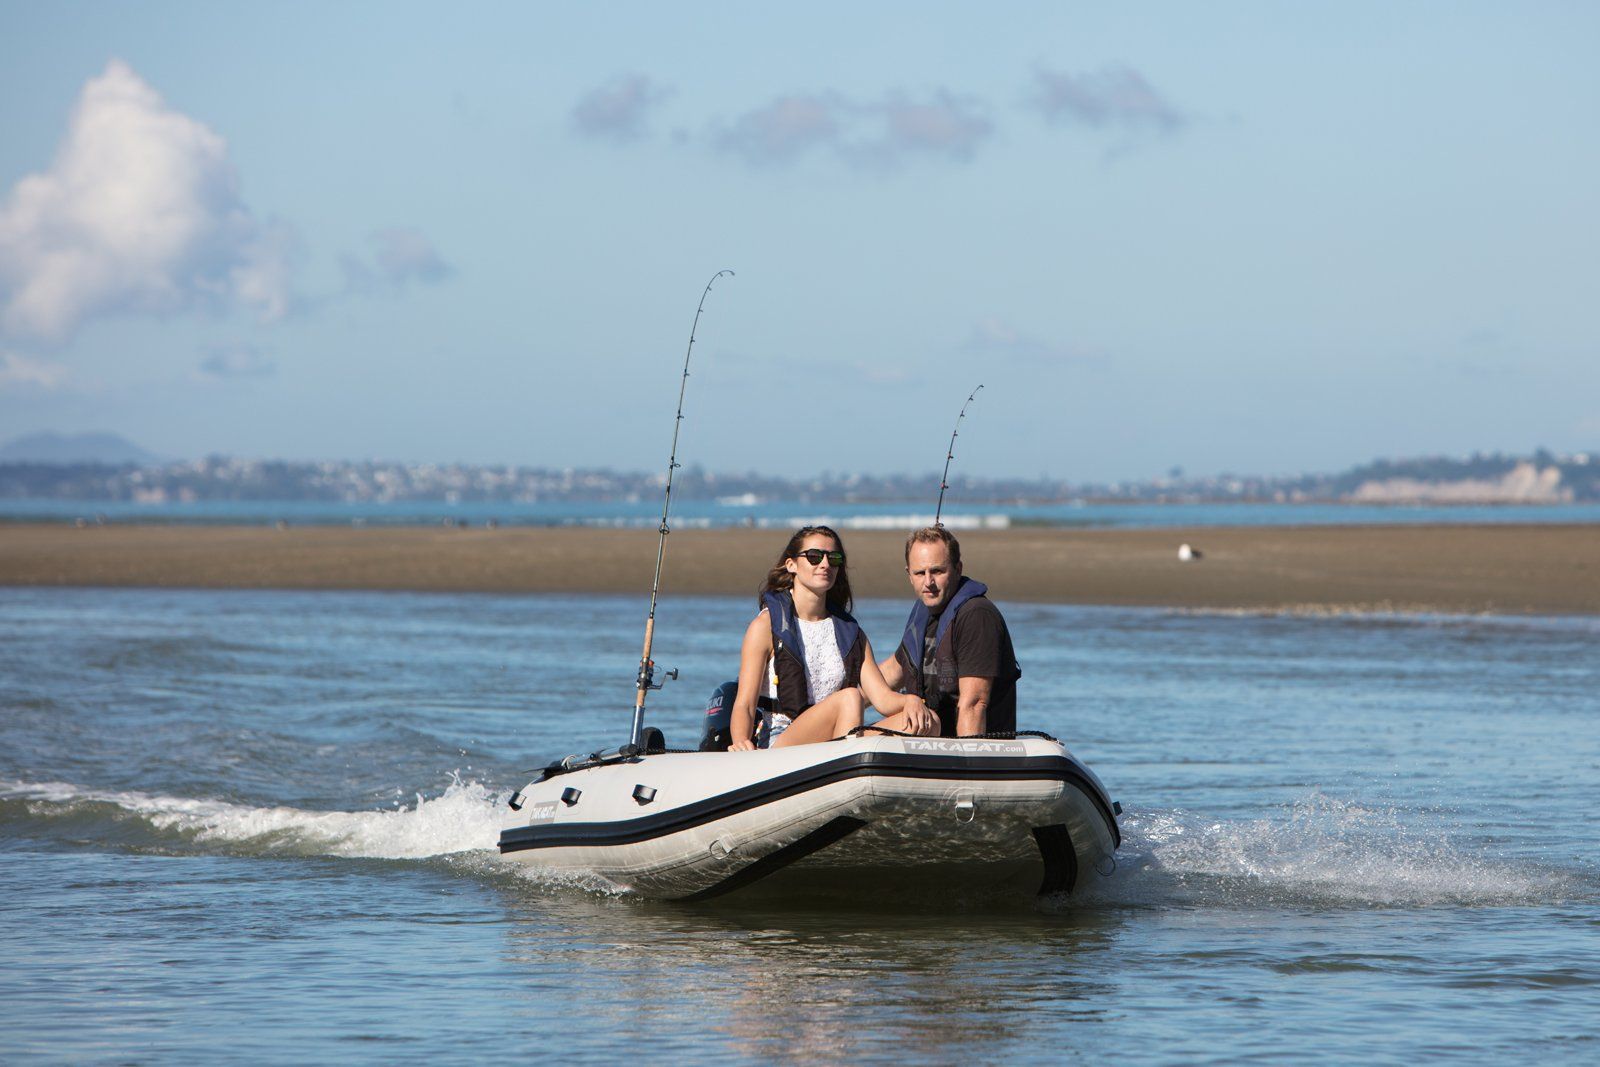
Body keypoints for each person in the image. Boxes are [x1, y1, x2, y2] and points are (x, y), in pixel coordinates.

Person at [729, 525, 937, 750]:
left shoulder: (851, 633)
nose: (825, 564)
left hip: (841, 735)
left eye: (834, 558)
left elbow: (883, 699)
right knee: (850, 698)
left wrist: (911, 701)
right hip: (783, 738)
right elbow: (745, 705)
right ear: (792, 565)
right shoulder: (765, 626)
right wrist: (741, 743)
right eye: (814, 557)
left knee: (929, 722)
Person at [877, 525, 1020, 737]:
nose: (928, 582)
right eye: (920, 573)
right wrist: (844, 699)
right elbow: (891, 673)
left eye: (937, 571)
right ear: (909, 575)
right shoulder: (924, 613)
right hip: (930, 740)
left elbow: (974, 704)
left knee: (921, 722)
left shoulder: (977, 615)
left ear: (958, 568)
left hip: (968, 749)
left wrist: (967, 765)